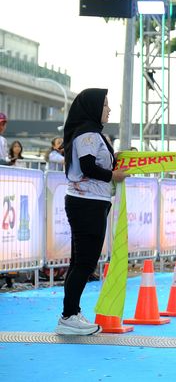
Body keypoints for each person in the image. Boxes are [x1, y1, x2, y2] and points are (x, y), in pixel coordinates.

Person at [54, 88, 129, 336]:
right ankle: (69, 316)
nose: (109, 109)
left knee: (80, 262)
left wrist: (114, 158)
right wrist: (113, 175)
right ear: (93, 107)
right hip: (86, 204)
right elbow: (87, 166)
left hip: (90, 202)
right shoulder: (87, 133)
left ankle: (71, 313)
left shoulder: (93, 134)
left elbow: (93, 161)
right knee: (85, 263)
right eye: (105, 105)